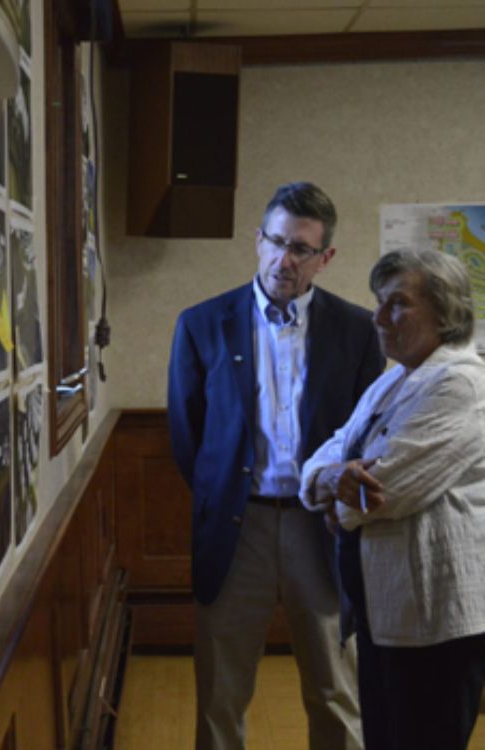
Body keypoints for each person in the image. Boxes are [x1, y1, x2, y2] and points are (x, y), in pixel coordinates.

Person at [168, 181, 385, 750]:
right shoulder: (201, 324)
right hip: (239, 530)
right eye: (276, 241)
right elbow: (189, 439)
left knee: (336, 690)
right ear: (256, 240)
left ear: (325, 258)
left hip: (324, 527)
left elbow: (369, 434)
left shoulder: (360, 330)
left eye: (301, 249)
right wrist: (229, 495)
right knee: (221, 690)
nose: (284, 260)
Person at [301, 249, 485, 750]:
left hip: (434, 619)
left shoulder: (462, 383)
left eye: (398, 304)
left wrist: (336, 502)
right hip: (386, 610)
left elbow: (388, 492)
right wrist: (329, 479)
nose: (379, 317)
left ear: (445, 312)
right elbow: (330, 452)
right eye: (379, 302)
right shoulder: (396, 377)